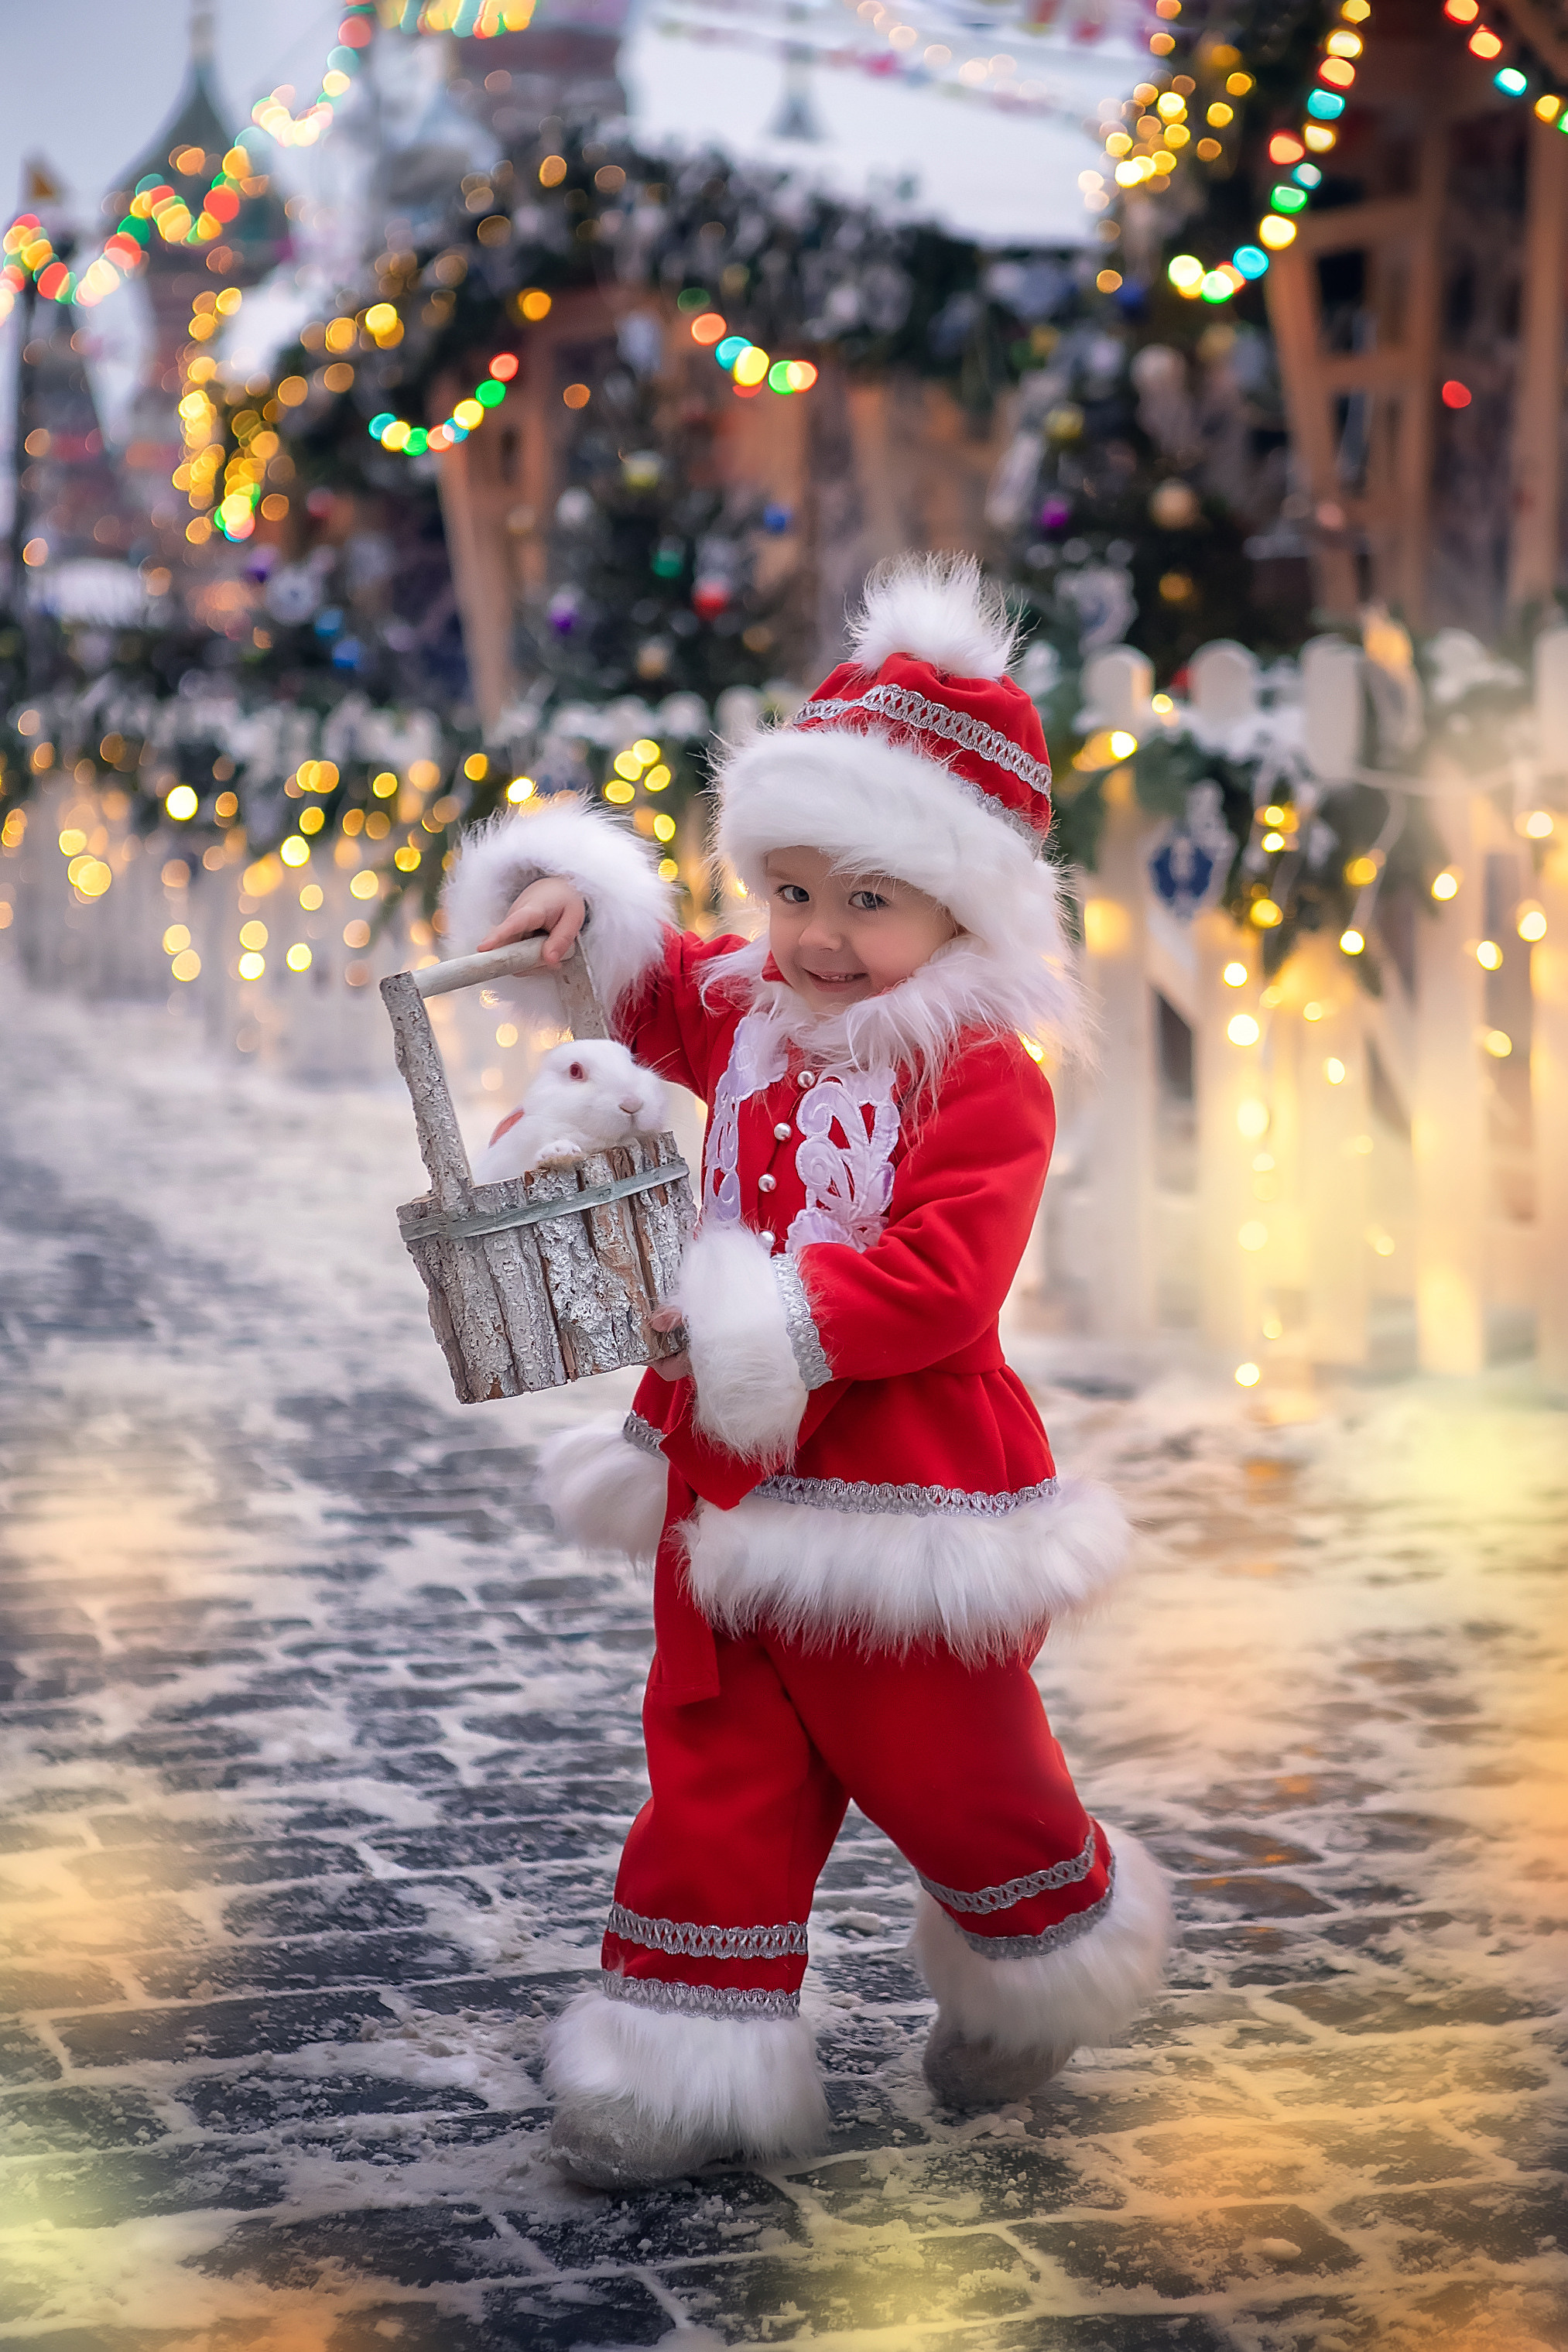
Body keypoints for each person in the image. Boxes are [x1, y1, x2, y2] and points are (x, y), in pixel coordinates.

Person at [443, 554, 1171, 2190]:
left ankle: (1036, 1955)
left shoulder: (983, 1075)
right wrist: (578, 911)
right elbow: (649, 983)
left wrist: (770, 1324)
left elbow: (935, 1279)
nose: (817, 940)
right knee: (717, 1769)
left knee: (956, 1773)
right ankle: (677, 2061)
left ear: (958, 908)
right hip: (724, 1477)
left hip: (901, 1496)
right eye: (788, 890)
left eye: (866, 899)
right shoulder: (752, 1001)